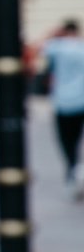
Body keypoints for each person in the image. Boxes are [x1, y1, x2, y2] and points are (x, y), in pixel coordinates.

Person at [43, 18, 84, 200]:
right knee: (78, 138)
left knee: (67, 142)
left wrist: (54, 33)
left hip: (63, 102)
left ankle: (72, 171)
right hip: (81, 101)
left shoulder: (56, 47)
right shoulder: (82, 47)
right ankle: (77, 171)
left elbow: (39, 47)